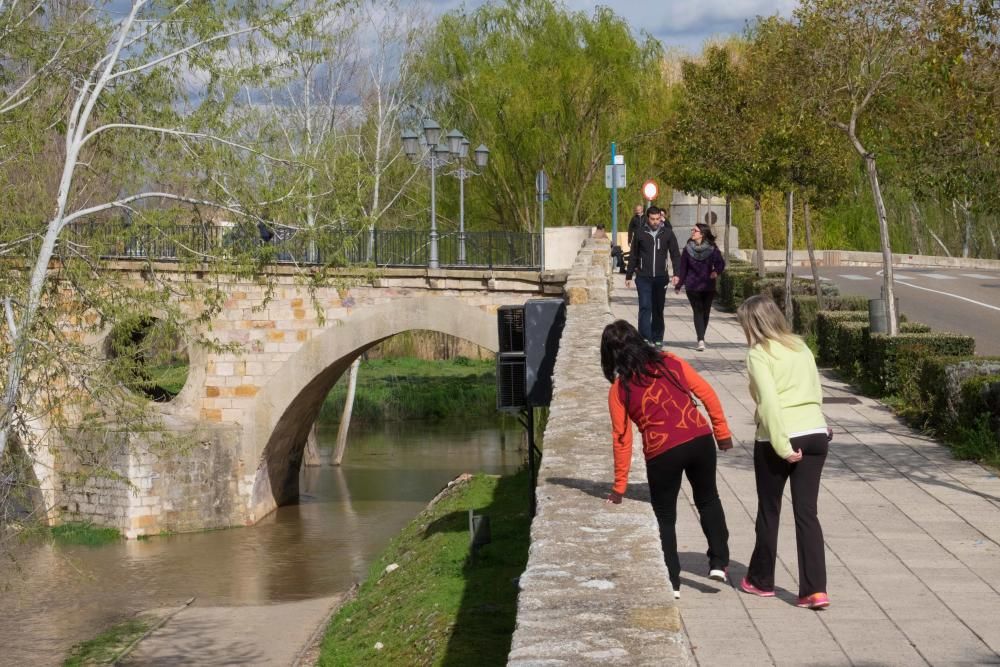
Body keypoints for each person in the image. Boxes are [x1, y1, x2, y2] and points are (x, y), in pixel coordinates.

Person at [602, 319, 734, 600]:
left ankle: (672, 581)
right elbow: (706, 393)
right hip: (699, 438)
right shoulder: (670, 361)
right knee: (708, 498)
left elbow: (622, 438)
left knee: (665, 517)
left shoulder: (620, 389)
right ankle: (719, 563)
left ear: (610, 354)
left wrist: (619, 487)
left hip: (662, 452)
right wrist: (722, 433)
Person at [736, 295, 831, 610]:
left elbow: (769, 403)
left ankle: (761, 580)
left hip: (780, 438)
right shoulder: (800, 346)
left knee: (769, 510)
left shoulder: (758, 354)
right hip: (815, 433)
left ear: (754, 324)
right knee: (808, 514)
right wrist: (819, 425)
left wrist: (782, 446)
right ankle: (815, 590)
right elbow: (815, 390)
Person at [624, 206, 680, 348]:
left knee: (658, 308)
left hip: (661, 277)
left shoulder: (667, 233)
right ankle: (644, 338)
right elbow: (634, 255)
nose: (655, 222)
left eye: (657, 219)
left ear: (660, 218)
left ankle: (657, 338)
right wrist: (629, 275)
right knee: (644, 306)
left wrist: (677, 274)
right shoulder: (640, 233)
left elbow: (675, 254)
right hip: (643, 277)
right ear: (647, 218)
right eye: (652, 219)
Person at [675, 222, 726, 352]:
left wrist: (716, 272)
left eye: (695, 230)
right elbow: (683, 268)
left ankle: (701, 335)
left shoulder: (712, 249)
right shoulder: (688, 249)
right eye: (692, 230)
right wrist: (679, 284)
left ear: (702, 234)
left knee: (706, 312)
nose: (692, 232)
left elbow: (720, 263)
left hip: (708, 285)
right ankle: (701, 339)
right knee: (698, 311)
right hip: (692, 286)